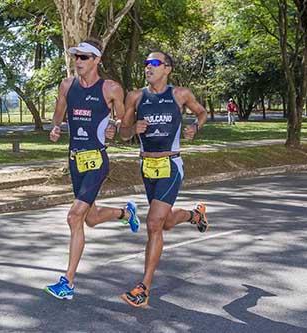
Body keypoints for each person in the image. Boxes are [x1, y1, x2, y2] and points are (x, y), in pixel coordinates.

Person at [44, 39, 141, 300]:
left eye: (84, 57)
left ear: (97, 60)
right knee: (91, 217)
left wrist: (116, 128)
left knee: (74, 217)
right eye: (76, 56)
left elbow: (125, 129)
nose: (78, 61)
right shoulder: (67, 85)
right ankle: (125, 212)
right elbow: (58, 114)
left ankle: (68, 282)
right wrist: (56, 128)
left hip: (97, 160)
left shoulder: (110, 88)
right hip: (75, 159)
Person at [118, 51, 209, 308]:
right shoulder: (135, 97)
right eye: (146, 63)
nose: (148, 67)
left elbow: (201, 113)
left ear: (167, 69)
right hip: (147, 165)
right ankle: (195, 215)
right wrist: (131, 129)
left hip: (171, 164)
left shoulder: (180, 94)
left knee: (154, 222)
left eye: (154, 63)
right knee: (165, 222)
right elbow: (124, 134)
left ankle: (144, 288)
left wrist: (195, 127)